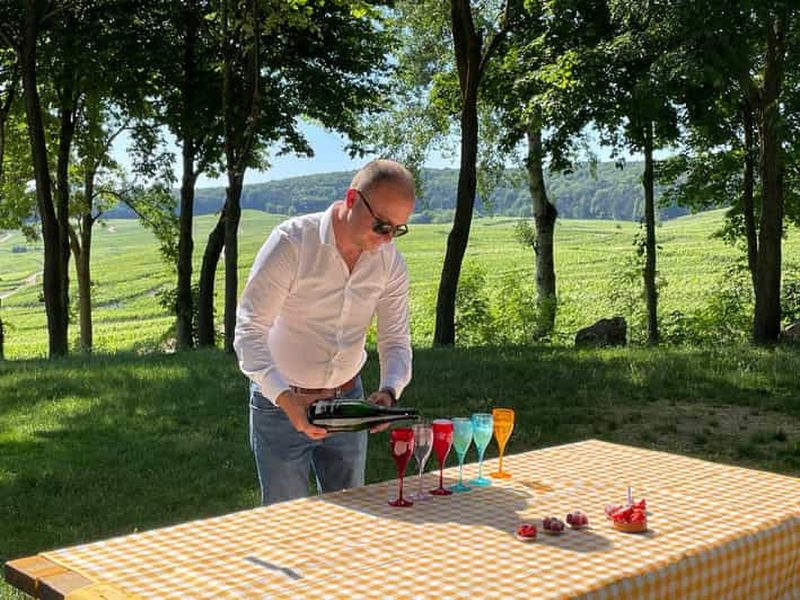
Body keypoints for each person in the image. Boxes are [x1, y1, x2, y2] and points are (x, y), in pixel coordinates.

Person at [234, 159, 415, 505]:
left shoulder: (390, 262)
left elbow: (395, 339)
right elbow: (249, 332)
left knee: (352, 522)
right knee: (287, 522)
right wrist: (287, 401)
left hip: (348, 399)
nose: (388, 239)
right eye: (381, 225)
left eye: (398, 230)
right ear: (351, 199)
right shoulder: (292, 242)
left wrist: (389, 392)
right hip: (280, 402)